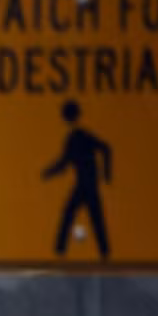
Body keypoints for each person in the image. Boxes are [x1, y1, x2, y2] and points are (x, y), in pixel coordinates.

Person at [42, 100, 113, 259]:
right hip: (85, 184)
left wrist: (107, 173)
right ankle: (102, 251)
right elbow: (64, 163)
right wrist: (49, 173)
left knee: (81, 215)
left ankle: (61, 250)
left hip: (87, 184)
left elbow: (106, 148)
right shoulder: (75, 137)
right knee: (85, 216)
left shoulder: (79, 136)